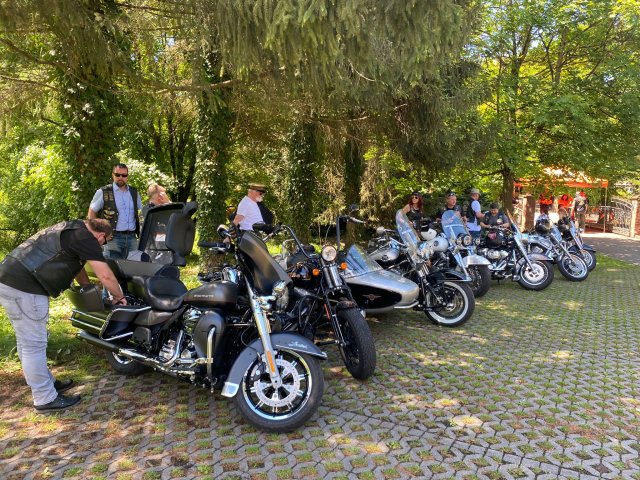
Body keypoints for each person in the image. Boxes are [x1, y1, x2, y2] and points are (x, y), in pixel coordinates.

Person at [0, 219, 126, 413]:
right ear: (102, 236)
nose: (103, 245)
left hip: (10, 279)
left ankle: (46, 383)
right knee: (34, 344)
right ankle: (44, 398)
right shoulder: (86, 238)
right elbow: (106, 276)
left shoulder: (73, 227)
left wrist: (86, 288)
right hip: (26, 287)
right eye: (106, 241)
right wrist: (119, 297)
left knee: (26, 341)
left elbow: (77, 266)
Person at [88, 163, 143, 260]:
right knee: (114, 267)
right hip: (112, 238)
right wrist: (97, 232)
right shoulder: (104, 191)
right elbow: (91, 211)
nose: (120, 177)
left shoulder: (134, 192)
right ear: (113, 175)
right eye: (117, 175)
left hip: (132, 237)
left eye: (124, 175)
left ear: (127, 177)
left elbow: (141, 212)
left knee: (135, 266)